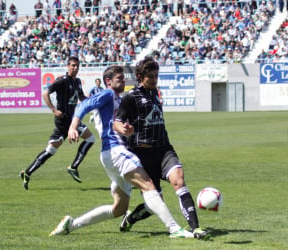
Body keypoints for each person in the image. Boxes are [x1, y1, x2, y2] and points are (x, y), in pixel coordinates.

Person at [49, 65, 193, 238]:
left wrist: (128, 130)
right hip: (116, 151)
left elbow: (116, 124)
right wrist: (73, 126)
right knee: (149, 186)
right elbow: (84, 105)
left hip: (112, 154)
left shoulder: (118, 98)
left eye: (124, 78)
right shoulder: (108, 94)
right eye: (120, 78)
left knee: (119, 209)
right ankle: (174, 229)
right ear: (108, 81)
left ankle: (71, 224)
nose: (124, 80)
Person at [113, 56, 210, 240]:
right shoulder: (131, 97)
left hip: (164, 149)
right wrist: (123, 129)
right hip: (142, 155)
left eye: (156, 75)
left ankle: (196, 228)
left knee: (179, 181)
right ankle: (131, 218)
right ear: (140, 76)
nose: (155, 79)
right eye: (150, 76)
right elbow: (116, 122)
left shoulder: (155, 92)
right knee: (156, 203)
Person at [19, 57, 95, 190]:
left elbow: (81, 97)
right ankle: (72, 167)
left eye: (77, 66)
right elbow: (45, 93)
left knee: (53, 149)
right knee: (88, 139)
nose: (75, 68)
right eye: (73, 65)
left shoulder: (77, 81)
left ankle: (28, 172)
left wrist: (94, 101)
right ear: (68, 66)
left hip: (72, 119)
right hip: (64, 120)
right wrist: (54, 110)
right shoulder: (62, 81)